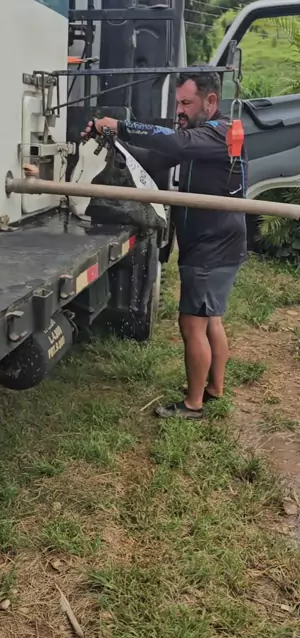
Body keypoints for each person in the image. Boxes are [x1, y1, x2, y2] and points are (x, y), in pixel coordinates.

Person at [83, 71, 248, 419]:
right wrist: (112, 140)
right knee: (211, 320)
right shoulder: (201, 139)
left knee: (192, 324)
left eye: (186, 103)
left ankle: (194, 404)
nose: (180, 110)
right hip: (216, 243)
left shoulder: (218, 133)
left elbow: (176, 143)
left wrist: (121, 125)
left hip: (212, 246)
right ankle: (214, 389)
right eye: (177, 103)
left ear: (211, 101)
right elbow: (155, 158)